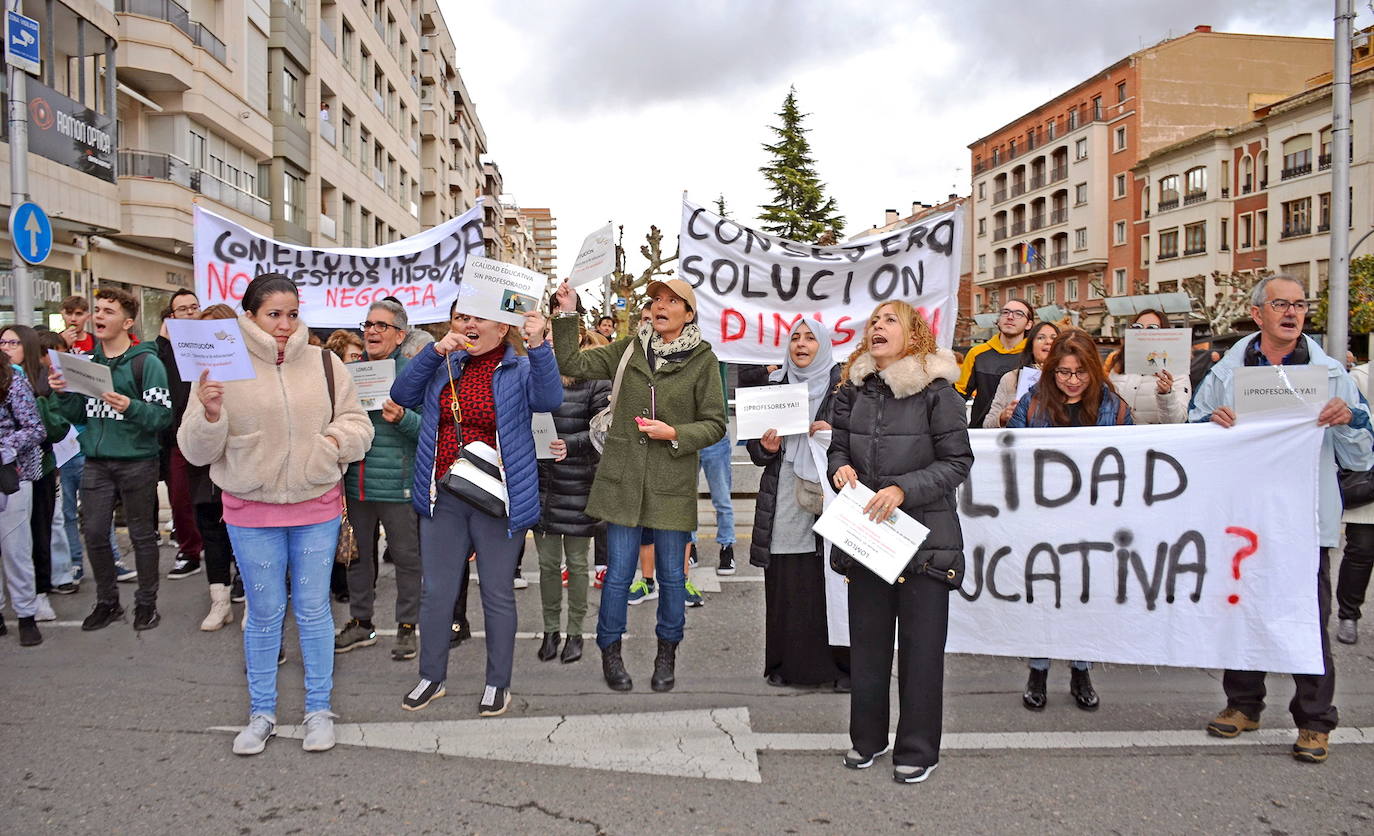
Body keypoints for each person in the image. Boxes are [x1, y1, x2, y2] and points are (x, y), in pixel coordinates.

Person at [179, 273, 373, 756]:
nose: (285, 324)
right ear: (249, 315)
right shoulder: (218, 363)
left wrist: (331, 444)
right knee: (264, 615)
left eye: (292, 313)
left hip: (316, 505)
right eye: (273, 314)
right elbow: (195, 451)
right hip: (250, 509)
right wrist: (209, 414)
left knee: (313, 611)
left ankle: (318, 710)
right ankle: (261, 712)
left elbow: (358, 424)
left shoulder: (327, 362)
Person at [1191, 274, 1374, 763]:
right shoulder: (1225, 373)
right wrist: (1211, 424)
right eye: (1280, 304)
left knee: (1307, 621)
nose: (1292, 312)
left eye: (1299, 304)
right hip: (1243, 519)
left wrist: (1350, 420)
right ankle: (1243, 706)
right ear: (1258, 314)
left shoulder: (1332, 374)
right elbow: (1192, 430)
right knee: (1241, 611)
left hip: (1301, 521)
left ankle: (1315, 721)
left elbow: (1359, 457)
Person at [552, 277, 726, 693]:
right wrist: (566, 313)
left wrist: (675, 433)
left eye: (671, 300)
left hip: (671, 481)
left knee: (670, 575)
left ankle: (667, 653)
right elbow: (571, 363)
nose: (661, 306)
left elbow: (716, 424)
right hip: (622, 479)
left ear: (689, 312)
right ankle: (610, 651)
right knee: (617, 576)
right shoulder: (629, 348)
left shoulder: (703, 359)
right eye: (656, 300)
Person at [391, 298, 559, 717]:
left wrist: (538, 346)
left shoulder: (518, 369)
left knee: (498, 594)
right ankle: (432, 676)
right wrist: (435, 350)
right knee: (436, 593)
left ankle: (497, 683)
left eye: (476, 317)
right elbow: (400, 394)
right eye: (460, 317)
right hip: (443, 496)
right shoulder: (443, 364)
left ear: (502, 329)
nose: (466, 324)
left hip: (498, 498)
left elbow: (550, 399)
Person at [829, 301, 972, 785]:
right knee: (867, 649)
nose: (877, 327)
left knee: (921, 652)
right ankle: (867, 740)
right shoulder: (852, 390)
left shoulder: (939, 392)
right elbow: (837, 448)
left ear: (914, 336)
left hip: (925, 543)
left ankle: (917, 749)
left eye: (890, 320)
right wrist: (838, 469)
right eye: (874, 321)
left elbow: (957, 463)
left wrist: (903, 489)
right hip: (868, 539)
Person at [1008, 329, 1133, 710]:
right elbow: (1009, 452)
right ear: (1051, 373)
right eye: (1063, 372)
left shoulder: (1115, 406)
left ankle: (1081, 669)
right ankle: (1039, 669)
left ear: (1094, 370)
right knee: (1042, 594)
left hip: (1093, 520)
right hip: (1041, 517)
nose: (1073, 381)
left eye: (1080, 372)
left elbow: (1131, 457)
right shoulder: (1032, 403)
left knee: (1084, 595)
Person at [51, 287, 172, 632]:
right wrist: (63, 394)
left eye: (109, 311)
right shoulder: (88, 364)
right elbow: (79, 413)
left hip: (138, 461)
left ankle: (146, 604)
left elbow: (162, 416)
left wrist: (130, 406)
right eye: (98, 310)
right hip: (96, 461)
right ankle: (108, 602)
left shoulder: (147, 362)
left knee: (142, 535)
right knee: (94, 532)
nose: (99, 316)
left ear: (128, 322)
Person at [748, 318, 848, 688]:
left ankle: (839, 668)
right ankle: (789, 665)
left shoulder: (846, 388)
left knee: (833, 580)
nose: (801, 344)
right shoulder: (774, 386)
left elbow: (862, 440)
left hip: (832, 493)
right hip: (785, 493)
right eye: (794, 338)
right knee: (789, 579)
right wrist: (766, 446)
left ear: (823, 344)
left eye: (809, 338)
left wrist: (834, 436)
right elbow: (757, 451)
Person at [334, 300, 424, 662]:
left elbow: (429, 432)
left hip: (398, 486)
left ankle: (406, 627)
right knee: (357, 558)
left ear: (400, 335)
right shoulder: (350, 373)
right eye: (368, 324)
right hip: (357, 483)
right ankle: (361, 622)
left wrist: (402, 417)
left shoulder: (414, 374)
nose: (371, 331)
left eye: (381, 326)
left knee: (406, 558)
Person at [533, 323, 610, 665]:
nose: (550, 339)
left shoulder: (595, 376)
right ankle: (551, 631)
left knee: (577, 565)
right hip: (543, 485)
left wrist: (572, 444)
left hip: (579, 483)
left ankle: (576, 632)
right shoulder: (535, 371)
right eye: (546, 333)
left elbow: (604, 428)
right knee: (548, 565)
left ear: (577, 337)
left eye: (556, 333)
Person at [2, 325, 68, 622]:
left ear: (27, 347)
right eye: (1, 341)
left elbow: (52, 429)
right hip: (10, 473)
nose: (5, 347)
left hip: (36, 469)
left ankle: (40, 593)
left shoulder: (42, 379)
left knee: (37, 533)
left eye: (13, 342)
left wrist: (41, 402)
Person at [188, 304, 241, 631]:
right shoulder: (193, 370)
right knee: (211, 534)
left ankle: (250, 596)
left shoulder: (248, 371)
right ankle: (219, 601)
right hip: (203, 468)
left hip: (238, 465)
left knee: (243, 536)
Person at [0, 335, 53, 646]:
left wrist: (4, 448)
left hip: (11, 475)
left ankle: (25, 616)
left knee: (16, 547)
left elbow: (35, 428)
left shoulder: (13, 380)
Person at [156, 289, 205, 579]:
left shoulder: (216, 343)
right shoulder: (165, 351)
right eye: (182, 309)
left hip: (215, 434)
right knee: (180, 498)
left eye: (194, 307)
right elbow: (156, 358)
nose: (189, 313)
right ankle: (189, 552)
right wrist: (165, 336)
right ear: (172, 317)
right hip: (179, 438)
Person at [1338, 359, 1374, 646]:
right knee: (1361, 550)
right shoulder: (1363, 376)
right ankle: (1348, 614)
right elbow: (1355, 425)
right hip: (1369, 478)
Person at [1103, 309, 1189, 424]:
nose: (1143, 332)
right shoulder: (1119, 365)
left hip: (1153, 439)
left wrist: (1166, 395)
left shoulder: (1177, 370)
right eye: (1137, 327)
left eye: (1152, 328)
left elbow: (1177, 421)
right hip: (1121, 437)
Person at [956, 297, 1033, 428]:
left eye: (1018, 314)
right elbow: (957, 397)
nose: (1010, 317)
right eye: (1005, 312)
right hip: (982, 435)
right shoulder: (977, 353)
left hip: (1021, 434)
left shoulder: (1033, 355)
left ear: (1029, 324)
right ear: (998, 319)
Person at [983, 321, 1059, 428]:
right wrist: (1002, 417)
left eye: (1054, 338)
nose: (1048, 342)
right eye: (1041, 338)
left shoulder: (1068, 379)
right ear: (1031, 347)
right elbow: (987, 424)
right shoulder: (1010, 378)